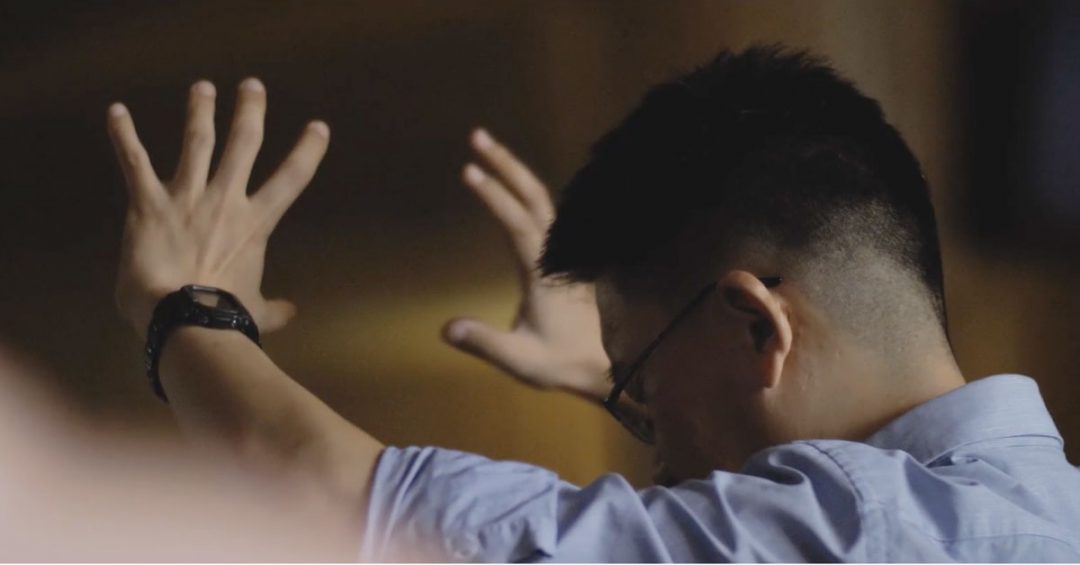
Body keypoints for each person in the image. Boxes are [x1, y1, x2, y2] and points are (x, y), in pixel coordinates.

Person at [104, 45, 1080, 561]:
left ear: (757, 326)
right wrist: (647, 367)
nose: (655, 453)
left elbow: (347, 511)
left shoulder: (870, 533)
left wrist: (187, 310)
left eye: (639, 386)